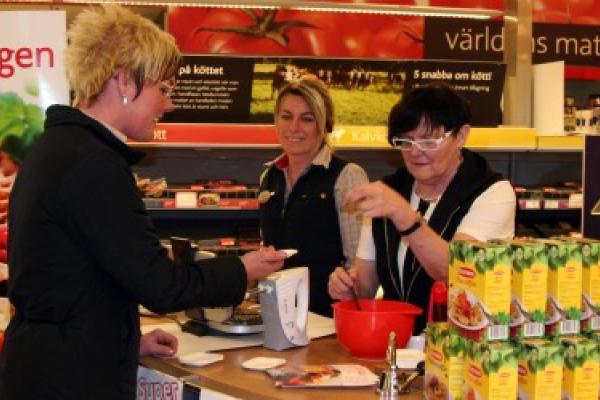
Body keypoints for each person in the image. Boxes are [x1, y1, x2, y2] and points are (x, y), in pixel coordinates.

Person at [0, 5, 286, 400]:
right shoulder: (92, 163)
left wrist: (125, 341)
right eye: (163, 89)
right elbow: (160, 285)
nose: (169, 104)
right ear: (123, 80)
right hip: (68, 382)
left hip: (49, 367)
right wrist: (241, 269)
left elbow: (73, 282)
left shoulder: (57, 148)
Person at [328, 83, 515, 333]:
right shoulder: (391, 189)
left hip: (461, 346)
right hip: (396, 342)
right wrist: (347, 288)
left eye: (429, 141)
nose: (415, 152)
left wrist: (402, 214)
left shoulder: (492, 192)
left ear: (461, 136)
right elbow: (366, 285)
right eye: (406, 141)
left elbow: (458, 273)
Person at [259, 78, 369, 317]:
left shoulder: (347, 176)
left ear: (324, 125)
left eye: (307, 119)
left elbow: (360, 265)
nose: (294, 127)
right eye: (286, 116)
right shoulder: (269, 176)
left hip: (327, 320)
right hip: (276, 314)